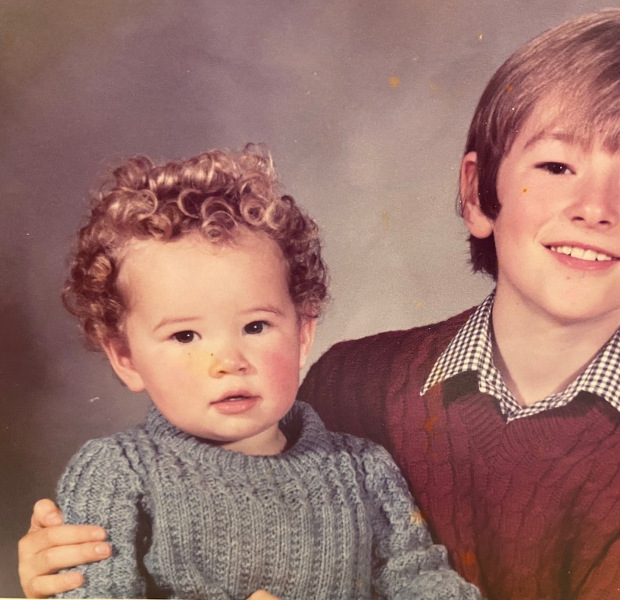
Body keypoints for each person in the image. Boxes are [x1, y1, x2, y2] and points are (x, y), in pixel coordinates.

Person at [18, 8, 620, 600]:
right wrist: (56, 576)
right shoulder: (354, 380)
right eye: (556, 166)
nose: (594, 207)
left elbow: (413, 574)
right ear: (476, 193)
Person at [24, 146, 481, 600]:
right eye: (185, 336)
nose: (228, 361)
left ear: (302, 334)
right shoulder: (118, 473)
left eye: (255, 326)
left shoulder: (363, 469)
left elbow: (421, 579)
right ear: (125, 357)